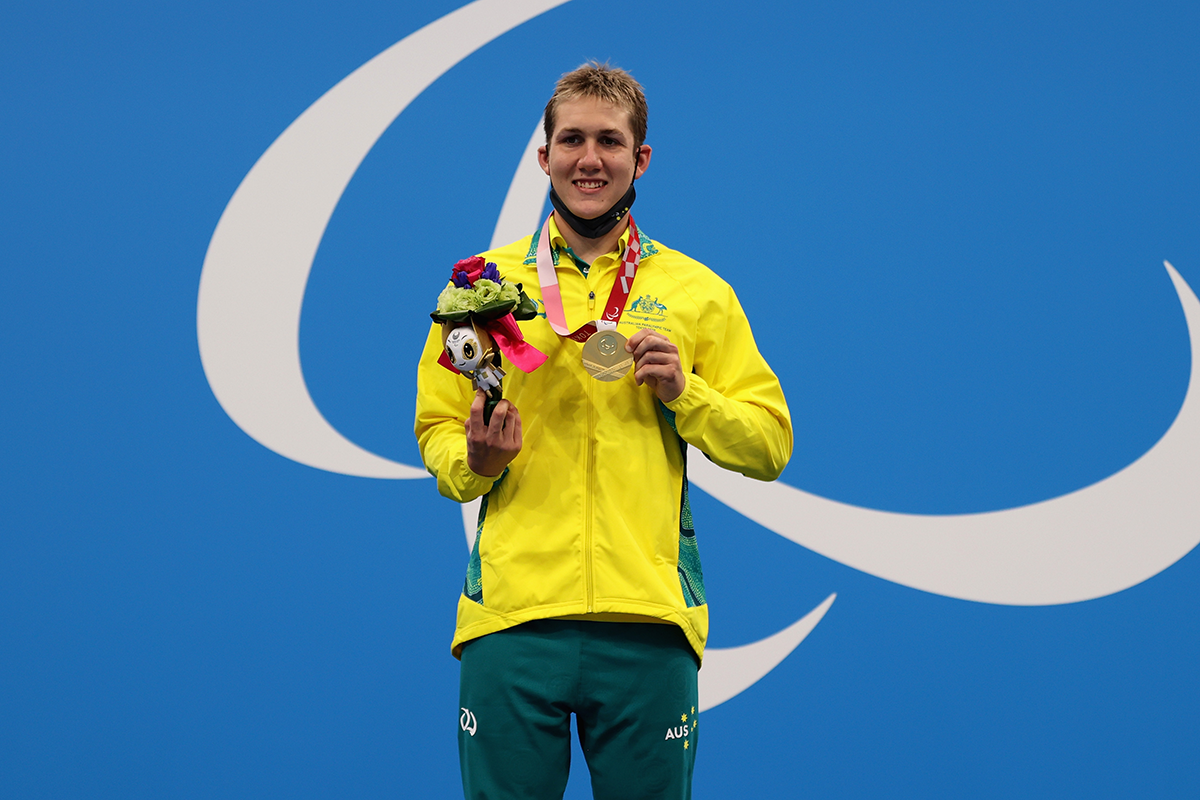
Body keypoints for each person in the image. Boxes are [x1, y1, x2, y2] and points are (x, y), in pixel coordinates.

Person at [415, 62, 792, 800]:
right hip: (513, 620)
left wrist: (688, 392)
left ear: (639, 158)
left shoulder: (697, 292)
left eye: (611, 142)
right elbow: (436, 431)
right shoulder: (478, 287)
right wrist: (477, 461)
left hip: (647, 622)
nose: (591, 159)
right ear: (544, 155)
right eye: (574, 140)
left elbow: (769, 443)